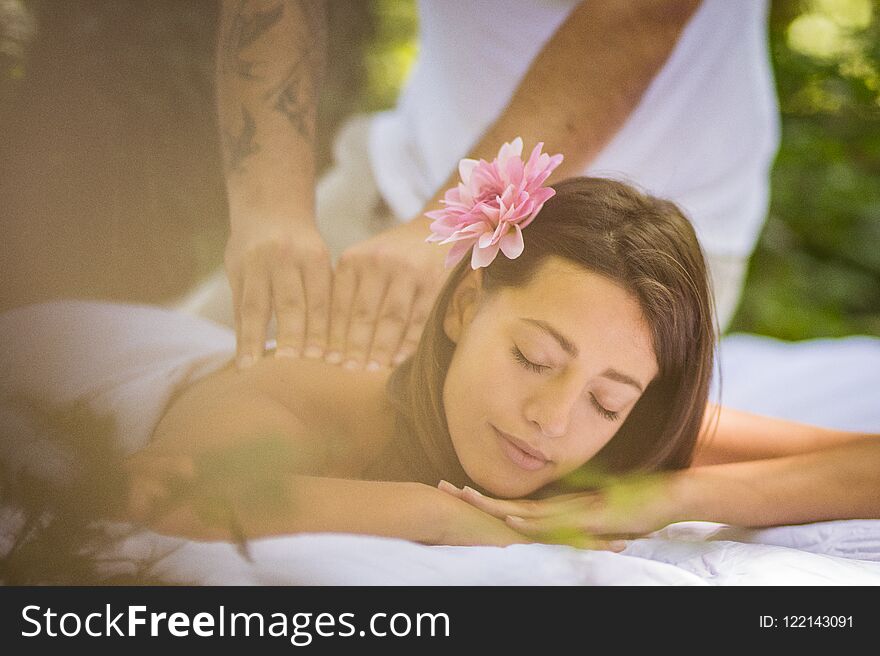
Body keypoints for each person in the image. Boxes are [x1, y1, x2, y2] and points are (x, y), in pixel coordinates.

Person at [125, 171, 879, 549]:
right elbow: (154, 494)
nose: (552, 420)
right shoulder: (300, 404)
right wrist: (439, 517)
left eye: (608, 401)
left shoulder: (617, 427)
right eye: (533, 357)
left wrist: (663, 499)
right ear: (462, 307)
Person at [211, 0, 779, 372]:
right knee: (164, 393)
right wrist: (270, 211)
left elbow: (636, 15)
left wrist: (453, 227)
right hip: (397, 186)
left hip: (637, 257)